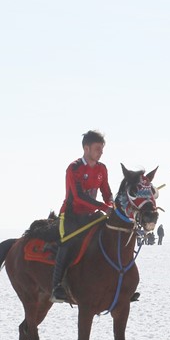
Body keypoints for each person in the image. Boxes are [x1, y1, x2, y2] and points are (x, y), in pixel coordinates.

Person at [52, 130, 113, 303]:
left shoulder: (102, 168)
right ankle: (56, 287)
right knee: (68, 243)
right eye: (97, 148)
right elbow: (78, 196)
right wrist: (103, 207)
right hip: (71, 215)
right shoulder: (74, 168)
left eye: (102, 149)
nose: (101, 152)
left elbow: (106, 191)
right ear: (86, 148)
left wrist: (112, 204)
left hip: (90, 215)